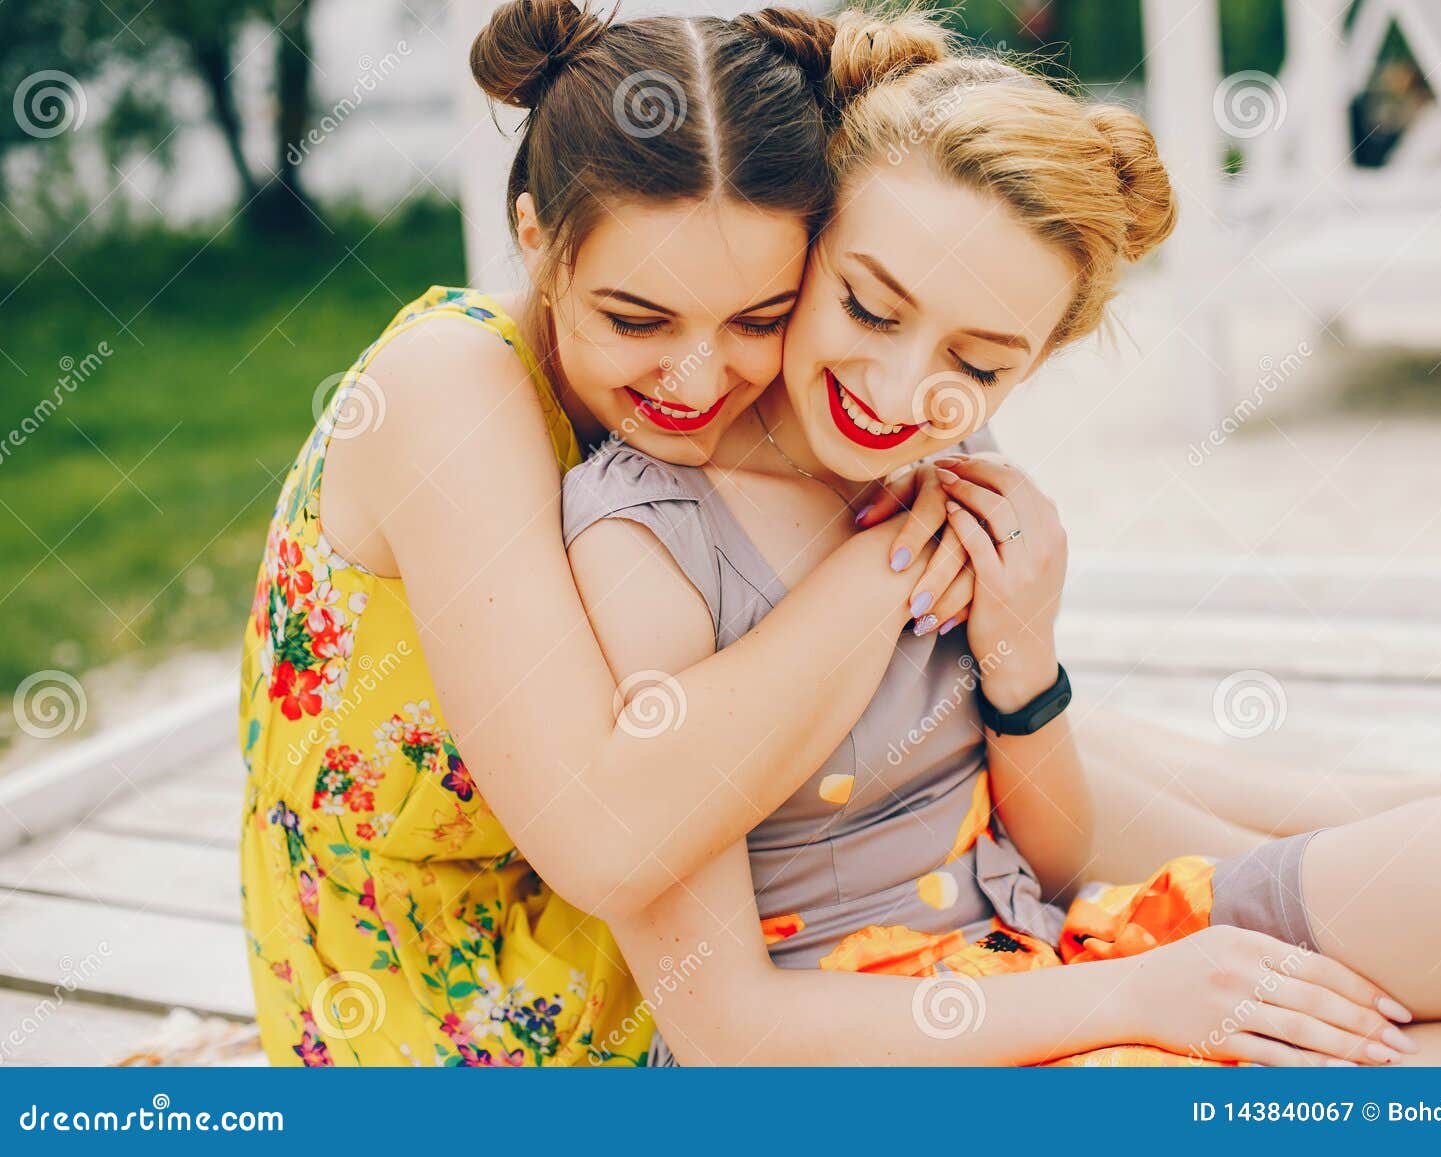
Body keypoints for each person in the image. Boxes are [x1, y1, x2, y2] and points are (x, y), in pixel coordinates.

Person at [561, 8, 1441, 1067]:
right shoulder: (649, 535)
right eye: (871, 309)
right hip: (882, 1051)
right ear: (807, 245)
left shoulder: (940, 468)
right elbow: (726, 1032)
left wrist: (1022, 661)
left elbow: (1052, 857)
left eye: (977, 364)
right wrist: (1132, 997)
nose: (901, 386)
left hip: (1051, 940)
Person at [238, 0, 974, 1067]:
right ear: (534, 234)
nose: (697, 377)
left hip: (679, 913)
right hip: (442, 1002)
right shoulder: (454, 384)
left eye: (759, 318)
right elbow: (605, 840)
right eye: (637, 318)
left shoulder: (719, 409)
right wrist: (889, 565)